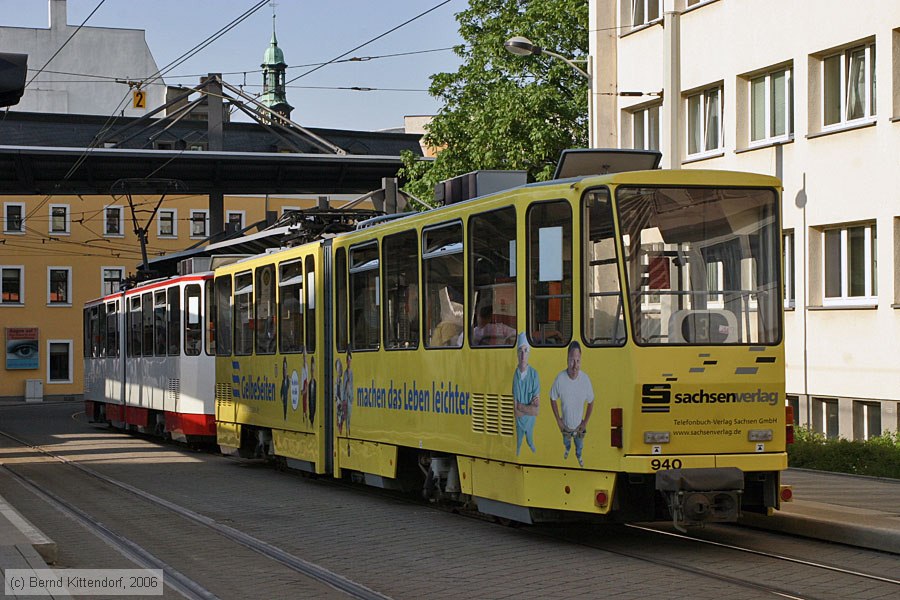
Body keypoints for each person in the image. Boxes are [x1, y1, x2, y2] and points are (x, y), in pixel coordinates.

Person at [549, 341, 594, 467]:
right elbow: (552, 398)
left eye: (578, 361)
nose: (575, 366)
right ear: (567, 360)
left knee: (579, 445)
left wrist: (585, 423)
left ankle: (578, 456)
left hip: (579, 425)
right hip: (566, 426)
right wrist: (558, 420)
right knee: (566, 441)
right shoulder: (560, 379)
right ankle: (567, 449)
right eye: (572, 361)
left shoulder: (585, 380)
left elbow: (591, 401)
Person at [512, 333, 539, 455]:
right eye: (520, 351)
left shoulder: (534, 374)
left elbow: (536, 411)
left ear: (529, 353)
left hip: (529, 421)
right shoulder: (515, 376)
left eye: (526, 351)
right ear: (517, 354)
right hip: (521, 421)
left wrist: (522, 407)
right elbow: (516, 411)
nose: (523, 355)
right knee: (518, 444)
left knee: (530, 441)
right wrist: (529, 408)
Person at [342, 350, 354, 435]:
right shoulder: (345, 373)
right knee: (347, 415)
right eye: (348, 360)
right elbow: (345, 386)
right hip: (346, 398)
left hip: (350, 397)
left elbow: (352, 385)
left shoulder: (351, 373)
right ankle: (347, 430)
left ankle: (348, 429)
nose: (349, 362)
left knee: (349, 415)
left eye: (350, 360)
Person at [334, 358, 344, 434]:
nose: (340, 370)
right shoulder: (335, 385)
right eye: (338, 369)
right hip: (339, 408)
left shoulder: (343, 383)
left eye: (340, 368)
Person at [308, 356, 317, 426]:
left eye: (313, 369)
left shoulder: (315, 383)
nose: (312, 371)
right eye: (311, 369)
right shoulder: (310, 383)